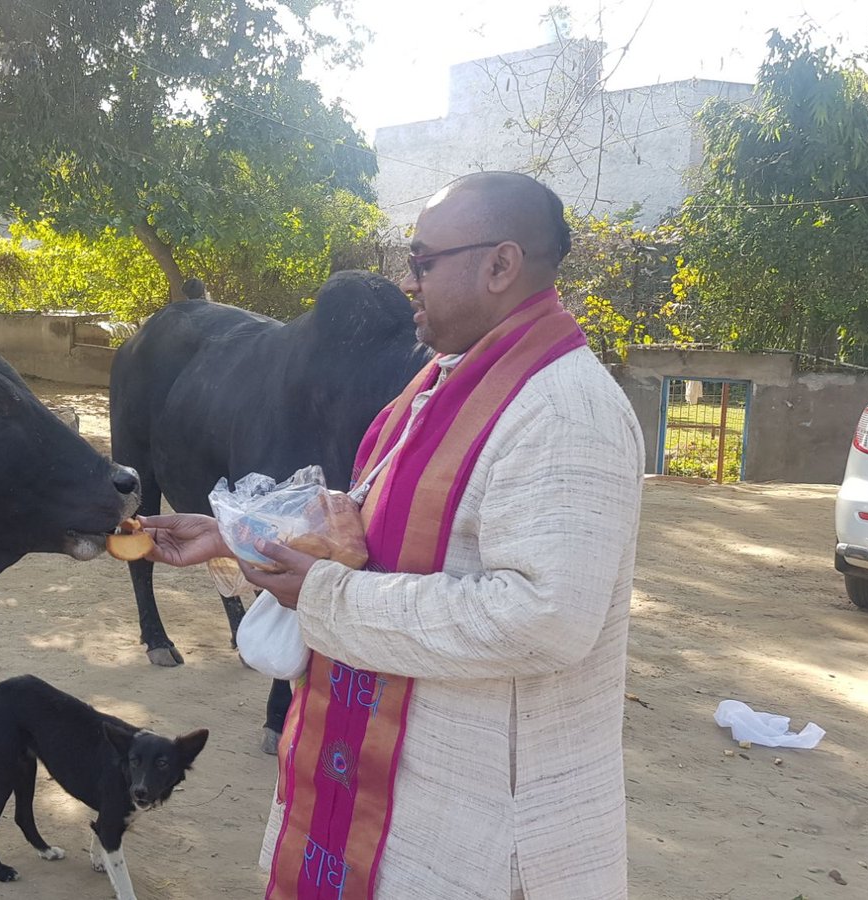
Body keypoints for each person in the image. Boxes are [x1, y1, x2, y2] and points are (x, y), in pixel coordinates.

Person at [141, 171, 643, 900]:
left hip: (481, 830)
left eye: (424, 262)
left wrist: (331, 600)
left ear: (500, 265)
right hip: (399, 795)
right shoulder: (443, 384)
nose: (410, 283)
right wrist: (235, 535)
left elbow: (545, 620)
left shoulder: (564, 411)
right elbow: (370, 521)